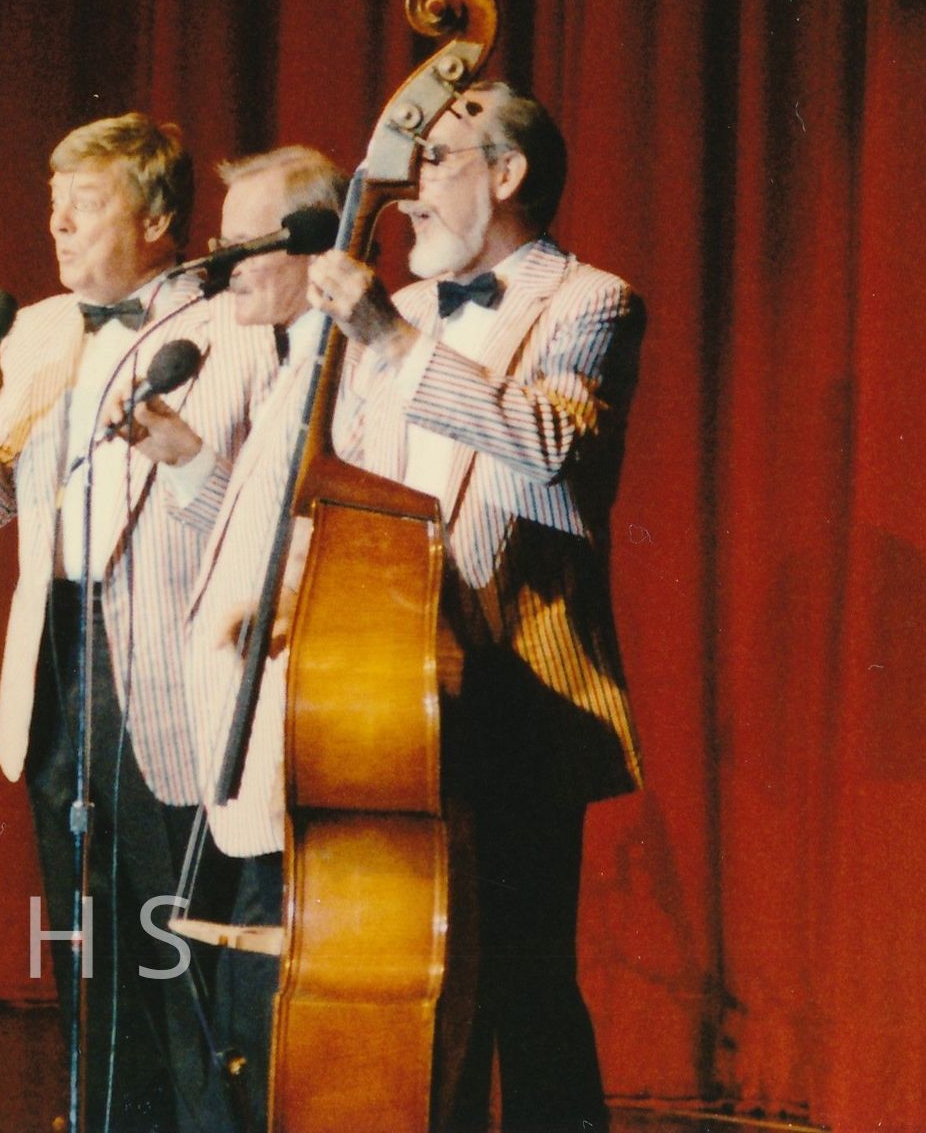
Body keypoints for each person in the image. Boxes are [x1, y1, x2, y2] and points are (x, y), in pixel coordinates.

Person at [0, 113, 277, 1133]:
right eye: (52, 205)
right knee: (95, 964)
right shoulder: (35, 330)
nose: (59, 225)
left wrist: (184, 456)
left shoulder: (235, 330)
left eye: (85, 204)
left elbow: (256, 516)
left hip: (173, 676)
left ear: (157, 219)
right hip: (59, 664)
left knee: (189, 964)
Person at [300, 82, 645, 1133]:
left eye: (435, 161)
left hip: (517, 681)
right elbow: (350, 478)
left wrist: (389, 340)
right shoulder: (399, 311)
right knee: (416, 981)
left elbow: (549, 446)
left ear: (507, 173)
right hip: (382, 679)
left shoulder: (588, 299)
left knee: (526, 982)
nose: (404, 192)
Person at [117, 144, 350, 1133]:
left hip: (303, 741)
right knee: (235, 1030)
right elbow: (251, 537)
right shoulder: (286, 359)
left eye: (244, 244)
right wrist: (184, 459)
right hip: (243, 747)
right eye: (218, 243)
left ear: (314, 243)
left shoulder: (343, 361)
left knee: (265, 1038)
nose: (221, 266)